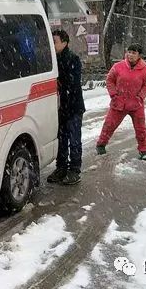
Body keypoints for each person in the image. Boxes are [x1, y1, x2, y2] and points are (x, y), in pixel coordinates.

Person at [96, 43, 146, 160]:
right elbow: (110, 80)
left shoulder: (145, 69)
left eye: (134, 53)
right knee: (109, 124)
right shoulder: (118, 66)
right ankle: (101, 144)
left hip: (136, 104)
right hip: (119, 102)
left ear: (139, 55)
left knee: (141, 128)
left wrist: (141, 96)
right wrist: (114, 95)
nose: (130, 55)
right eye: (129, 52)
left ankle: (143, 150)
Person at [47, 29, 86, 185]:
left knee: (74, 140)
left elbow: (72, 84)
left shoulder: (73, 59)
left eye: (55, 41)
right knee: (61, 140)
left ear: (64, 43)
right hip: (59, 108)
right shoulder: (52, 59)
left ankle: (74, 170)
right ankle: (61, 167)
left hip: (73, 106)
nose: (53, 44)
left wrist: (59, 83)